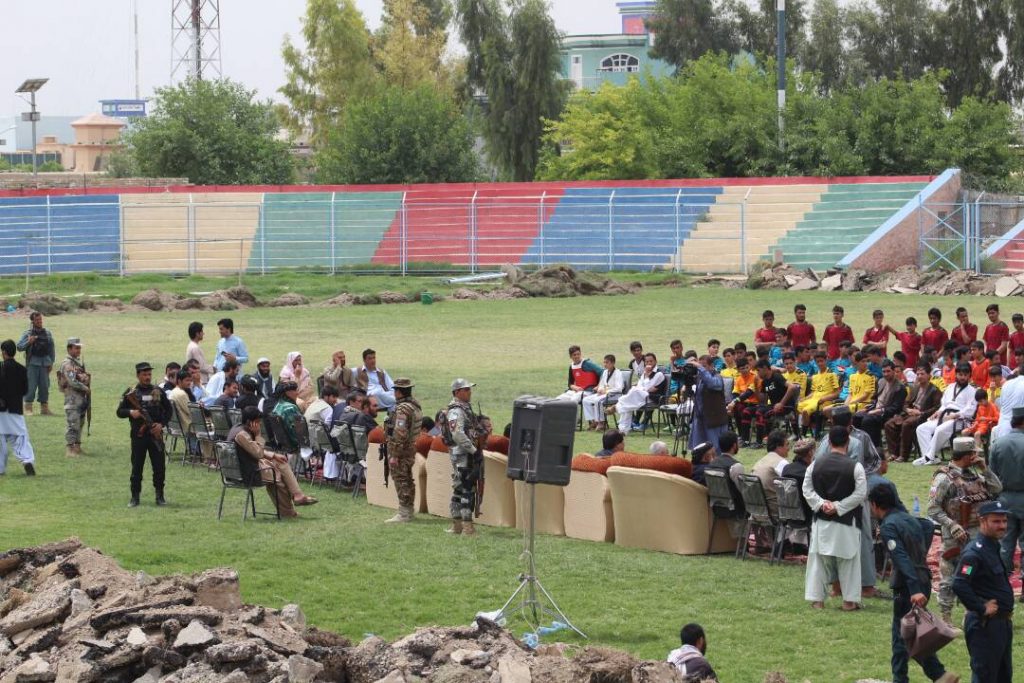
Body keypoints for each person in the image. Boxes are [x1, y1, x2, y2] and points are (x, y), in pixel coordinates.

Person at [868, 485, 959, 683]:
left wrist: (914, 588)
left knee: (901, 635)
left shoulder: (888, 526)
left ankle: (908, 678)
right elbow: (928, 527)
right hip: (924, 577)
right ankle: (939, 675)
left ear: (874, 504)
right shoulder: (909, 519)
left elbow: (901, 558)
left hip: (908, 584)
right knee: (913, 631)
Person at [928, 436, 1003, 625]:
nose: (977, 457)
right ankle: (945, 617)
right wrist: (952, 525)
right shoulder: (944, 478)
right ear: (967, 455)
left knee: (973, 574)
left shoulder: (975, 475)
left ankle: (971, 614)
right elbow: (933, 509)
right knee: (949, 577)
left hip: (976, 537)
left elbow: (997, 489)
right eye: (974, 454)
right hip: (955, 539)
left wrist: (985, 469)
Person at [804, 426, 867, 610]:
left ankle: (817, 601)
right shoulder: (855, 467)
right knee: (849, 563)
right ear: (848, 442)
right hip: (847, 521)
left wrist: (822, 504)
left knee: (818, 562)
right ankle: (849, 602)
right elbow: (861, 494)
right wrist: (839, 507)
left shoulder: (815, 465)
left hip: (822, 521)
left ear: (829, 442)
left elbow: (807, 490)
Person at [952, 501, 1015, 683]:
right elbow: (960, 583)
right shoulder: (974, 553)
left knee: (1003, 676)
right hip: (985, 626)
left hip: (1001, 624)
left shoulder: (992, 546)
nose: (1002, 525)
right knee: (985, 676)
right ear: (982, 521)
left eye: (1004, 521)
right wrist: (981, 607)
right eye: (996, 521)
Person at [230, 406, 318, 518]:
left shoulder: (237, 428)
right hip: (248, 473)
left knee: (280, 462)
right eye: (258, 422)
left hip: (246, 467)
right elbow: (258, 453)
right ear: (249, 422)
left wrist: (273, 455)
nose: (259, 425)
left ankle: (297, 495)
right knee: (278, 478)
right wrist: (258, 436)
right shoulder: (242, 435)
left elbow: (252, 450)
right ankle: (288, 512)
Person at [116, 362, 172, 508]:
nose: (147, 377)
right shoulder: (131, 393)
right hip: (139, 436)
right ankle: (135, 497)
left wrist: (161, 425)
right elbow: (119, 412)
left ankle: (160, 496)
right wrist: (131, 412)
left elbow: (169, 411)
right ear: (138, 375)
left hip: (155, 435)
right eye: (144, 374)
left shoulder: (158, 391)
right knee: (137, 467)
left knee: (159, 467)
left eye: (149, 374)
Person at [988, 405, 1024, 600]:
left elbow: (991, 475)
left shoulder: (998, 443)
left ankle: (1001, 585)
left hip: (1005, 499)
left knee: (1005, 545)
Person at [915, 362, 977, 466]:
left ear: (969, 376)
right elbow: (944, 403)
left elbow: (970, 409)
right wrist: (938, 412)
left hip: (960, 420)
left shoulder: (972, 391)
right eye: (960, 375)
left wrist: (955, 415)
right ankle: (930, 457)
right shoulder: (950, 387)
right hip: (945, 415)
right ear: (956, 374)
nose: (963, 377)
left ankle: (928, 457)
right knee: (922, 428)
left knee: (940, 429)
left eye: (965, 375)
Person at [443, 378, 483, 536]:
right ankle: (466, 527)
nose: (469, 392)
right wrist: (474, 450)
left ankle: (458, 526)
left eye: (469, 389)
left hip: (465, 454)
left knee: (460, 488)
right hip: (463, 455)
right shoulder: (456, 411)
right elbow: (457, 434)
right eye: (466, 390)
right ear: (457, 392)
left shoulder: (464, 408)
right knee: (466, 489)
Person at [885, 361, 941, 462]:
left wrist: (920, 413)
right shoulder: (916, 388)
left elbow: (936, 408)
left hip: (923, 416)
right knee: (889, 424)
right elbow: (906, 402)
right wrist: (907, 409)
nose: (919, 376)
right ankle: (894, 453)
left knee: (907, 424)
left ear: (929, 375)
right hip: (910, 414)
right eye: (918, 374)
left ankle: (903, 455)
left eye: (922, 374)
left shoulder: (935, 390)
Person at [384, 378, 422, 524]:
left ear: (399, 392)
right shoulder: (414, 406)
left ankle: (404, 513)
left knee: (401, 480)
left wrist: (394, 454)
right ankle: (408, 510)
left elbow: (400, 432)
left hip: (401, 450)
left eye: (395, 391)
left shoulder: (402, 409)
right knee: (407, 479)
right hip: (410, 448)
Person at [0, 340, 36, 476]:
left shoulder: (1, 368)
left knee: (1, 441)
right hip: (15, 408)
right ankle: (27, 460)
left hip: (1, 410)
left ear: (4, 352)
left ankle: (0, 468)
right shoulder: (22, 369)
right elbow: (25, 390)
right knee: (21, 438)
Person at [853, 360, 907, 448]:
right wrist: (867, 409)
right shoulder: (881, 381)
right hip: (875, 411)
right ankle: (860, 445)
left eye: (888, 371)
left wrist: (879, 411)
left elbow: (896, 408)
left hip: (888, 414)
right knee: (856, 416)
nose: (886, 374)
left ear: (894, 371)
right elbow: (875, 399)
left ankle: (874, 447)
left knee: (867, 420)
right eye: (884, 371)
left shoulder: (900, 387)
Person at [614, 353, 665, 434]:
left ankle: (617, 407)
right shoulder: (644, 373)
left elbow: (647, 387)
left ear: (655, 361)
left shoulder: (659, 374)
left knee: (631, 396)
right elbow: (640, 386)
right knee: (628, 403)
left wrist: (647, 376)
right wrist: (645, 381)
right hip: (642, 396)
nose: (649, 363)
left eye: (651, 361)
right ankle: (623, 429)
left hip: (653, 398)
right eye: (647, 362)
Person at [16, 311, 55, 416]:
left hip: (45, 363)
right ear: (32, 321)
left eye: (40, 319)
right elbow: (19, 347)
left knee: (44, 386)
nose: (39, 321)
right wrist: (29, 342)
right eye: (37, 320)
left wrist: (51, 362)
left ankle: (44, 408)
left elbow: (51, 349)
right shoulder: (28, 334)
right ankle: (28, 408)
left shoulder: (47, 333)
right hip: (32, 363)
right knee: (31, 386)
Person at [58, 337, 90, 457]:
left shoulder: (76, 363)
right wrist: (85, 388)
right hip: (72, 399)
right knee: (73, 423)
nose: (78, 350)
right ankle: (70, 449)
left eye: (79, 348)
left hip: (80, 399)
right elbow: (72, 382)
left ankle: (77, 447)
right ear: (69, 349)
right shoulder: (68, 364)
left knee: (80, 422)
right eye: (76, 348)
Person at [797, 352, 839, 437]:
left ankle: (804, 434)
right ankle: (805, 429)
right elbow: (813, 392)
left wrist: (824, 398)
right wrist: (805, 398)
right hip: (814, 400)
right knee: (798, 406)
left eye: (821, 361)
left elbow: (836, 393)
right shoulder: (815, 375)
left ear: (826, 360)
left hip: (825, 401)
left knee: (805, 410)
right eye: (818, 362)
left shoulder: (832, 374)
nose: (820, 363)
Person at [752, 430, 790, 517]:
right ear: (778, 447)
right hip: (775, 511)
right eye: (787, 444)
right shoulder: (781, 463)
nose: (788, 448)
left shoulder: (759, 462)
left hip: (758, 510)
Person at [583, 354, 625, 431]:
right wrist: (600, 389)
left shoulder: (618, 373)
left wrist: (606, 391)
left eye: (607, 362)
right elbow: (602, 384)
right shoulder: (605, 372)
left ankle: (601, 422)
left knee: (597, 401)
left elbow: (619, 388)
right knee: (586, 400)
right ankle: (594, 421)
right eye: (604, 362)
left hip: (614, 395)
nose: (605, 364)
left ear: (613, 363)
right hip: (605, 394)